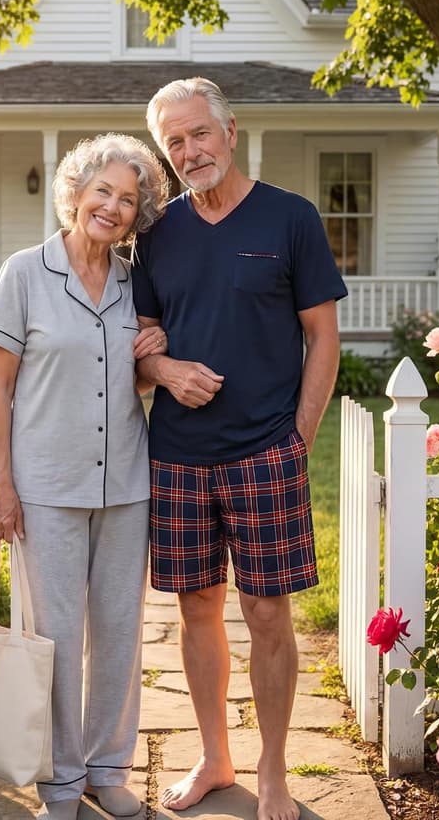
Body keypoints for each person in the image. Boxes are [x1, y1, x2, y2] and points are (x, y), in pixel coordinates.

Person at [132, 78, 348, 820]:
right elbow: (137, 348)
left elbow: (324, 337)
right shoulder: (155, 235)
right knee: (195, 608)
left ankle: (277, 767)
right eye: (175, 143)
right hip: (179, 455)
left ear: (230, 130)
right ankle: (216, 756)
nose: (190, 151)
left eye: (199, 134)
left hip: (266, 452)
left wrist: (299, 439)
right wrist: (160, 369)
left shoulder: (291, 217)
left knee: (267, 615)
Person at [0, 133, 169, 820]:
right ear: (77, 193)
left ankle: (107, 769)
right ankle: (59, 782)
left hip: (125, 484)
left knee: (118, 631)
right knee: (55, 637)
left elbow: (139, 377)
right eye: (103, 192)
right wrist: (2, 485)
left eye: (127, 198)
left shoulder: (134, 283)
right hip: (46, 485)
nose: (113, 207)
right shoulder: (25, 272)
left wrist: (154, 349)